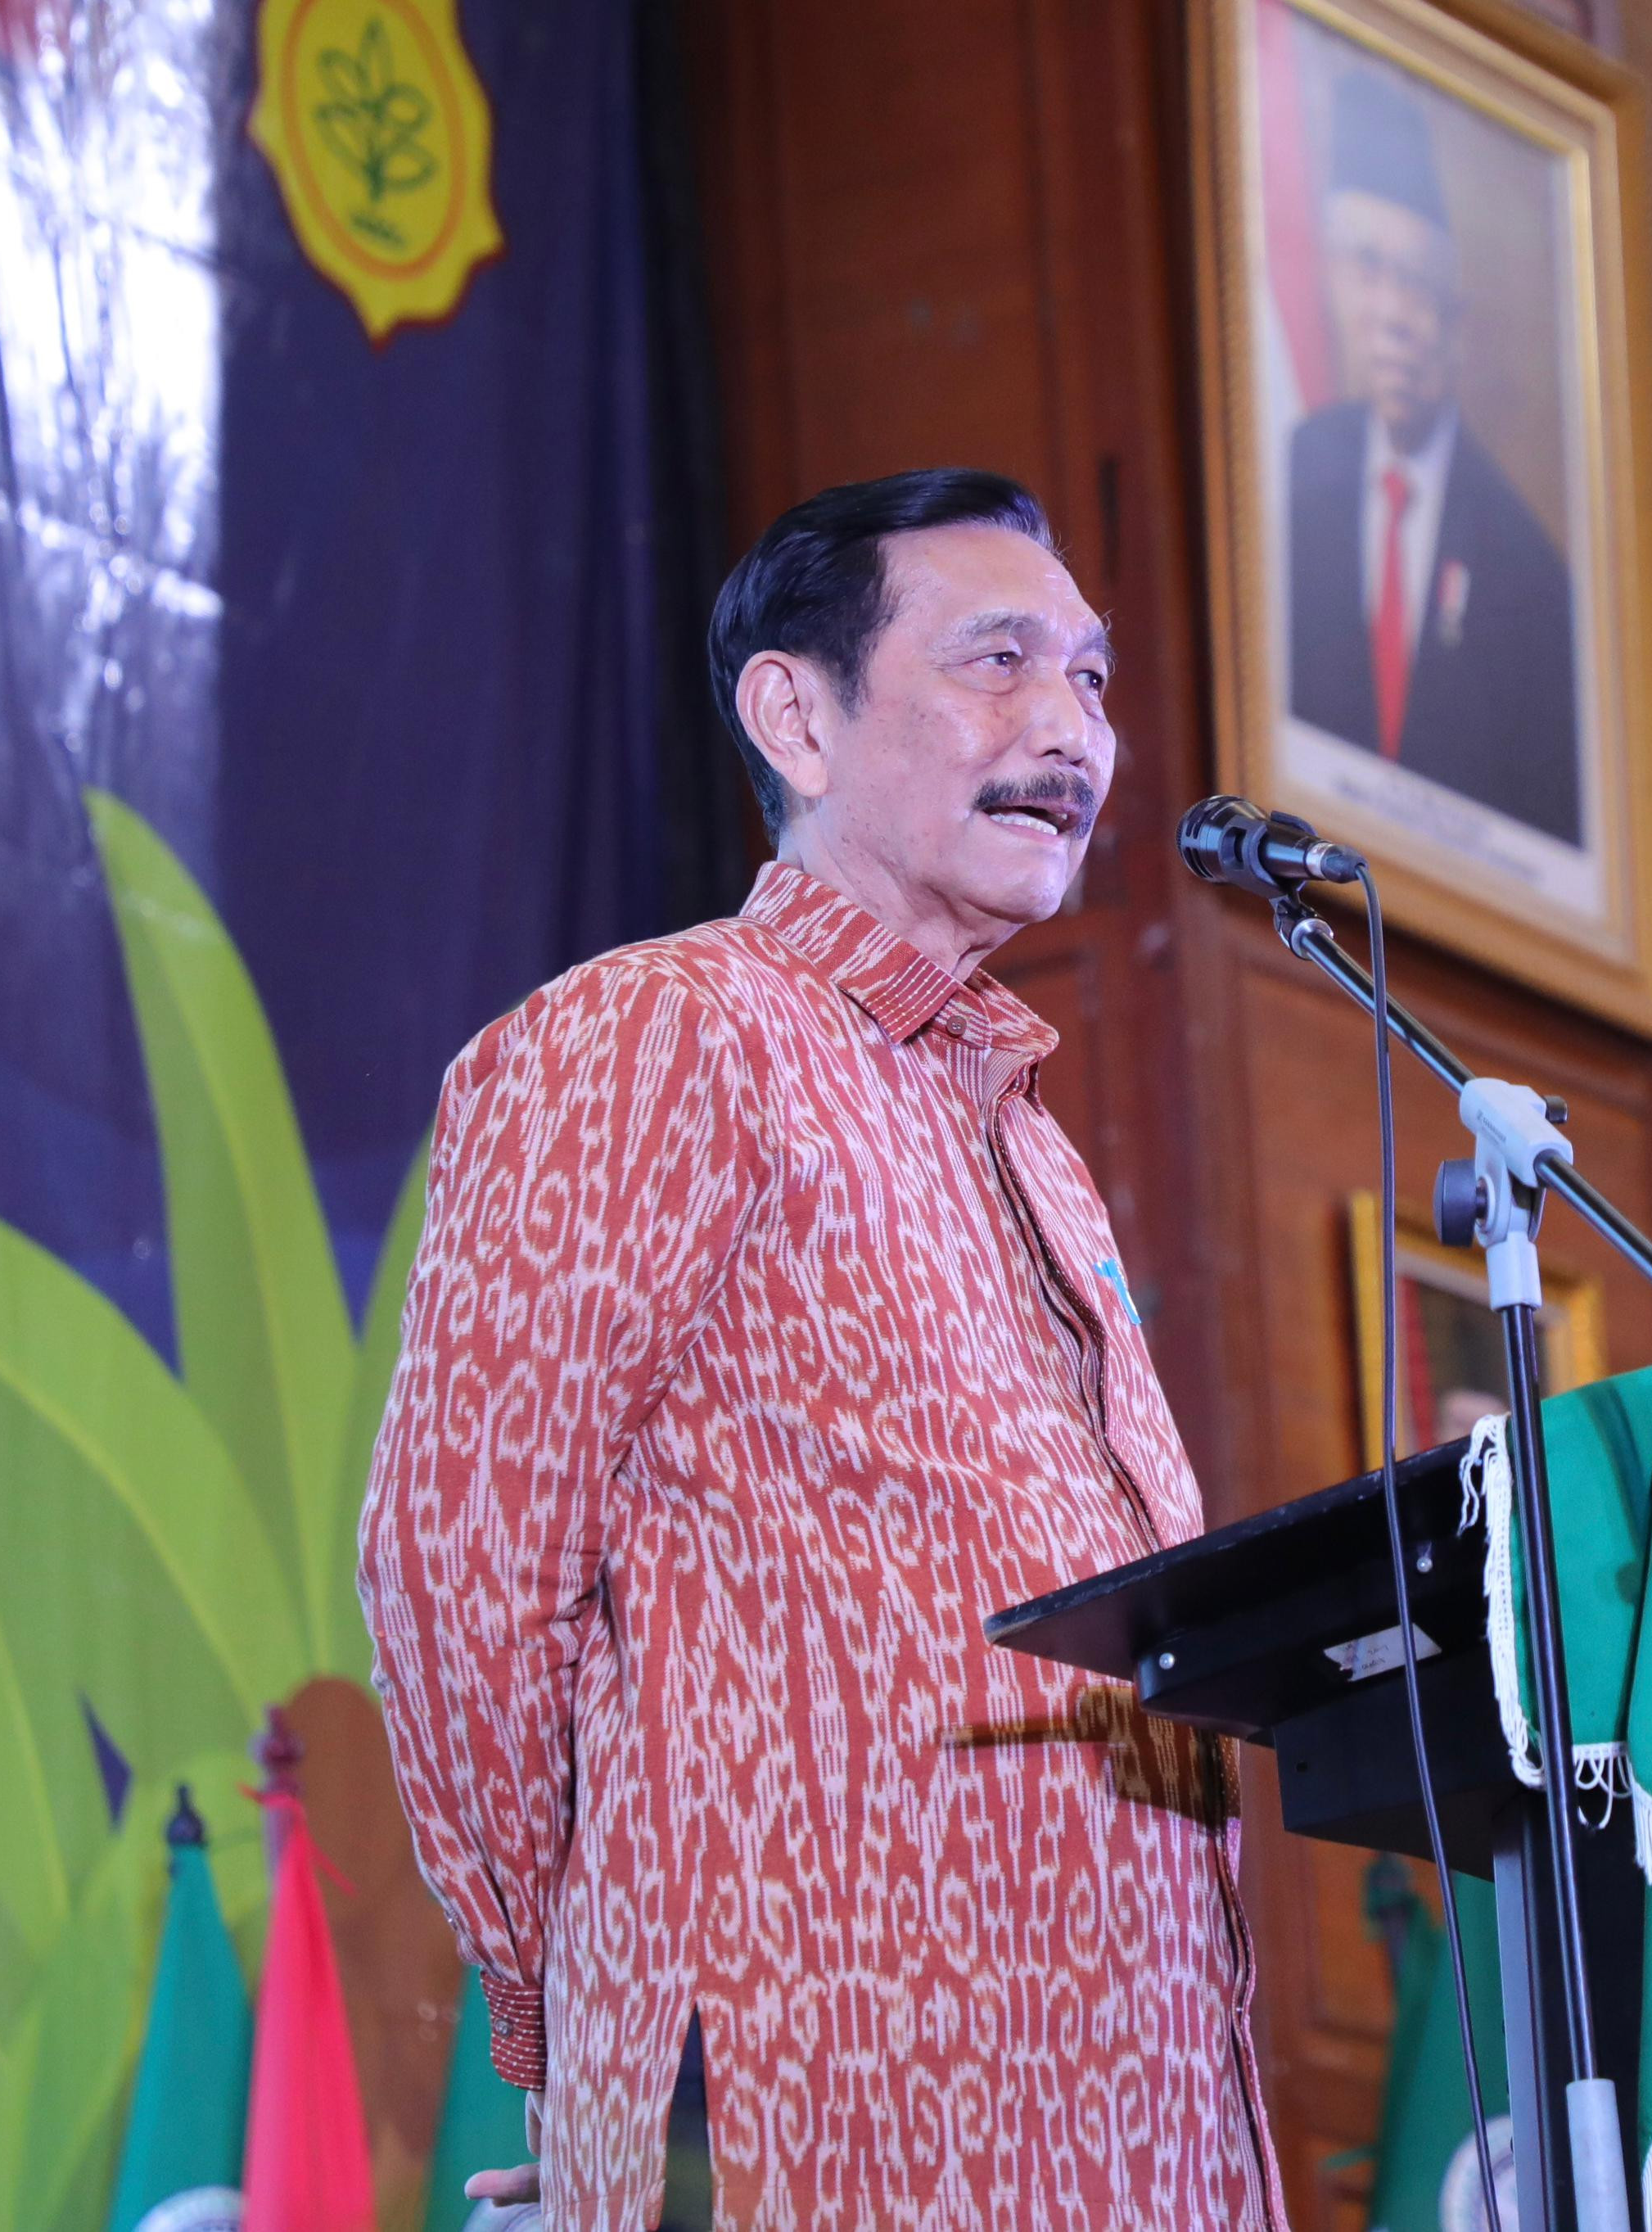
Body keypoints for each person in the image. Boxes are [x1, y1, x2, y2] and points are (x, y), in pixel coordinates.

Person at [361, 469, 1288, 2231]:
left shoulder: (1033, 1145)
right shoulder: (656, 1034)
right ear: (794, 712)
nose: (1068, 728)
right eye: (995, 661)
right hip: (817, 2072)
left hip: (1134, 2092)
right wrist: (573, 2000)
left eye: (1089, 679)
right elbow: (460, 1565)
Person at [1285, 67, 1584, 845]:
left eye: (1417, 285)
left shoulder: (1531, 576)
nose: (1392, 318)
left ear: (1459, 324)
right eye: (1368, 271)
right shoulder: (1285, 478)